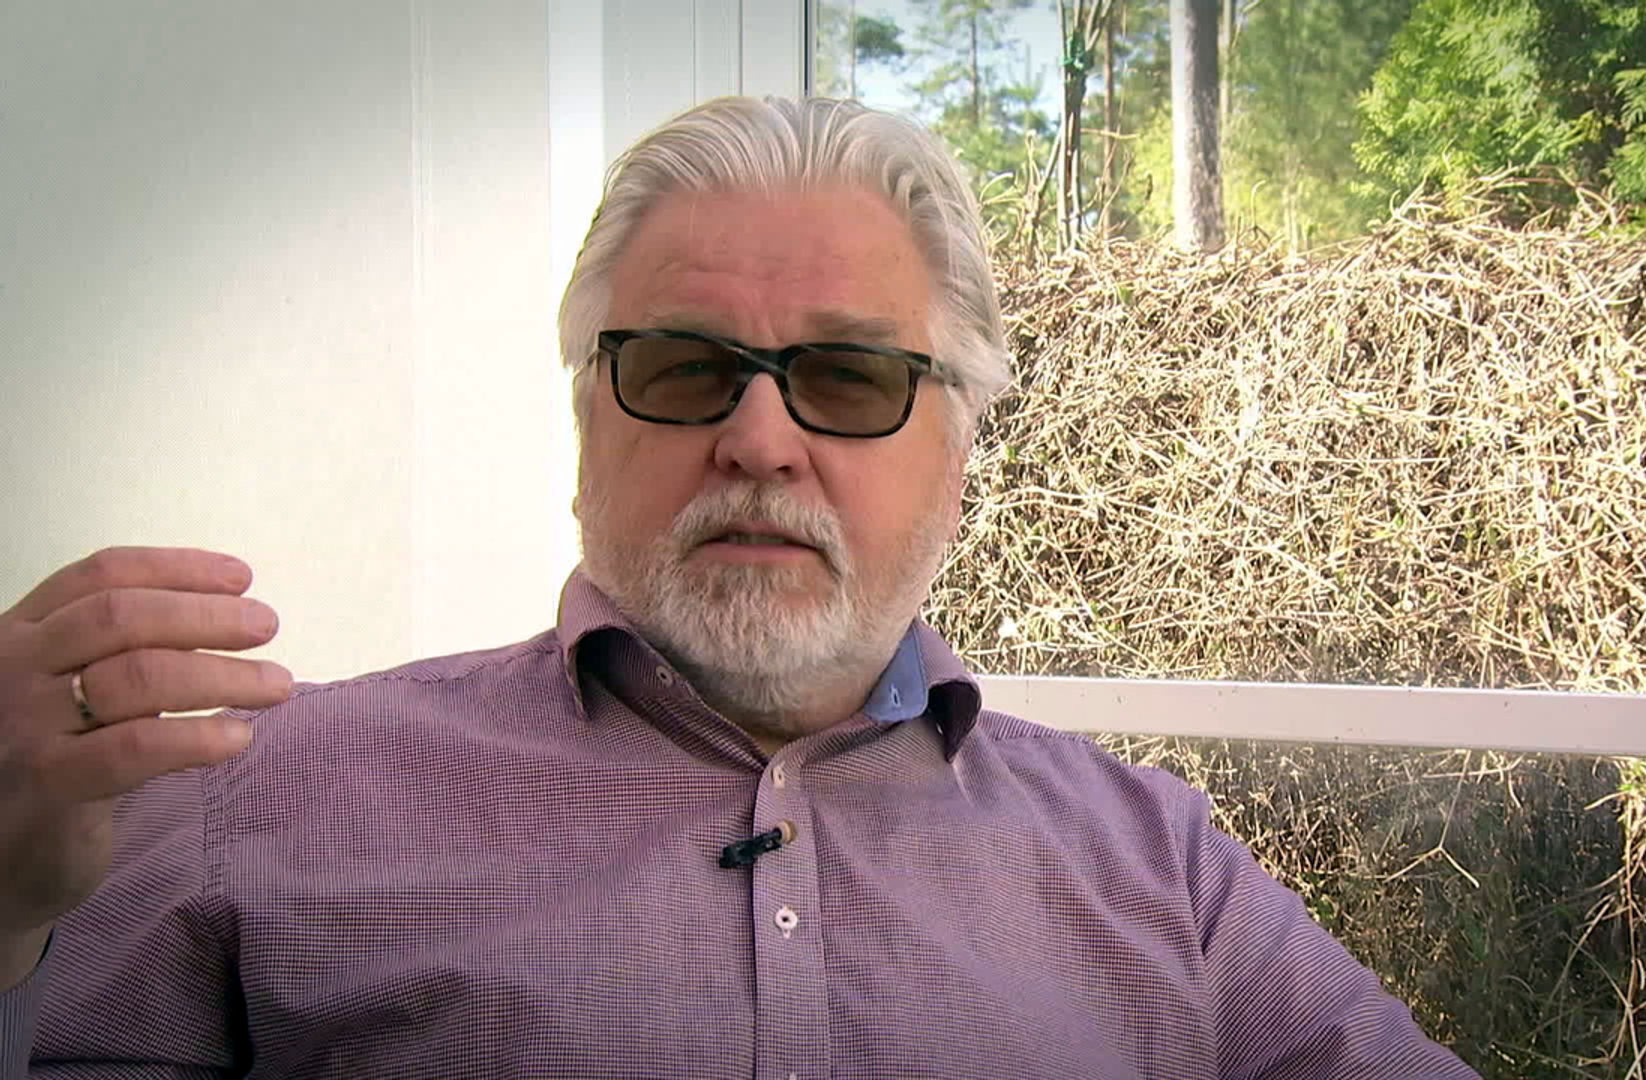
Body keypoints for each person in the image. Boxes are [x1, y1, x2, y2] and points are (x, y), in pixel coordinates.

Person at [0, 96, 1478, 1078]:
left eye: (850, 376)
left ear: (959, 448)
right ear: (587, 422)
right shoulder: (250, 802)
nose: (760, 440)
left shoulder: (1160, 868)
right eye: (684, 365)